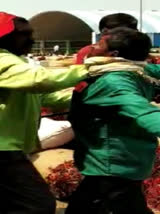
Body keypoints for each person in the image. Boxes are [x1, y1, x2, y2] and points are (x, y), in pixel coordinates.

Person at [0, 12, 93, 214]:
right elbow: (40, 80)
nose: (31, 39)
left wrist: (88, 97)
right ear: (2, 37)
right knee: (37, 204)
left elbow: (42, 96)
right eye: (24, 34)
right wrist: (90, 68)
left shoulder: (14, 61)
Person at [66, 27, 159, 214]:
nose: (92, 47)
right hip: (121, 160)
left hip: (112, 164)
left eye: (99, 44)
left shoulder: (113, 81)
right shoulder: (135, 70)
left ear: (113, 54)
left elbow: (142, 112)